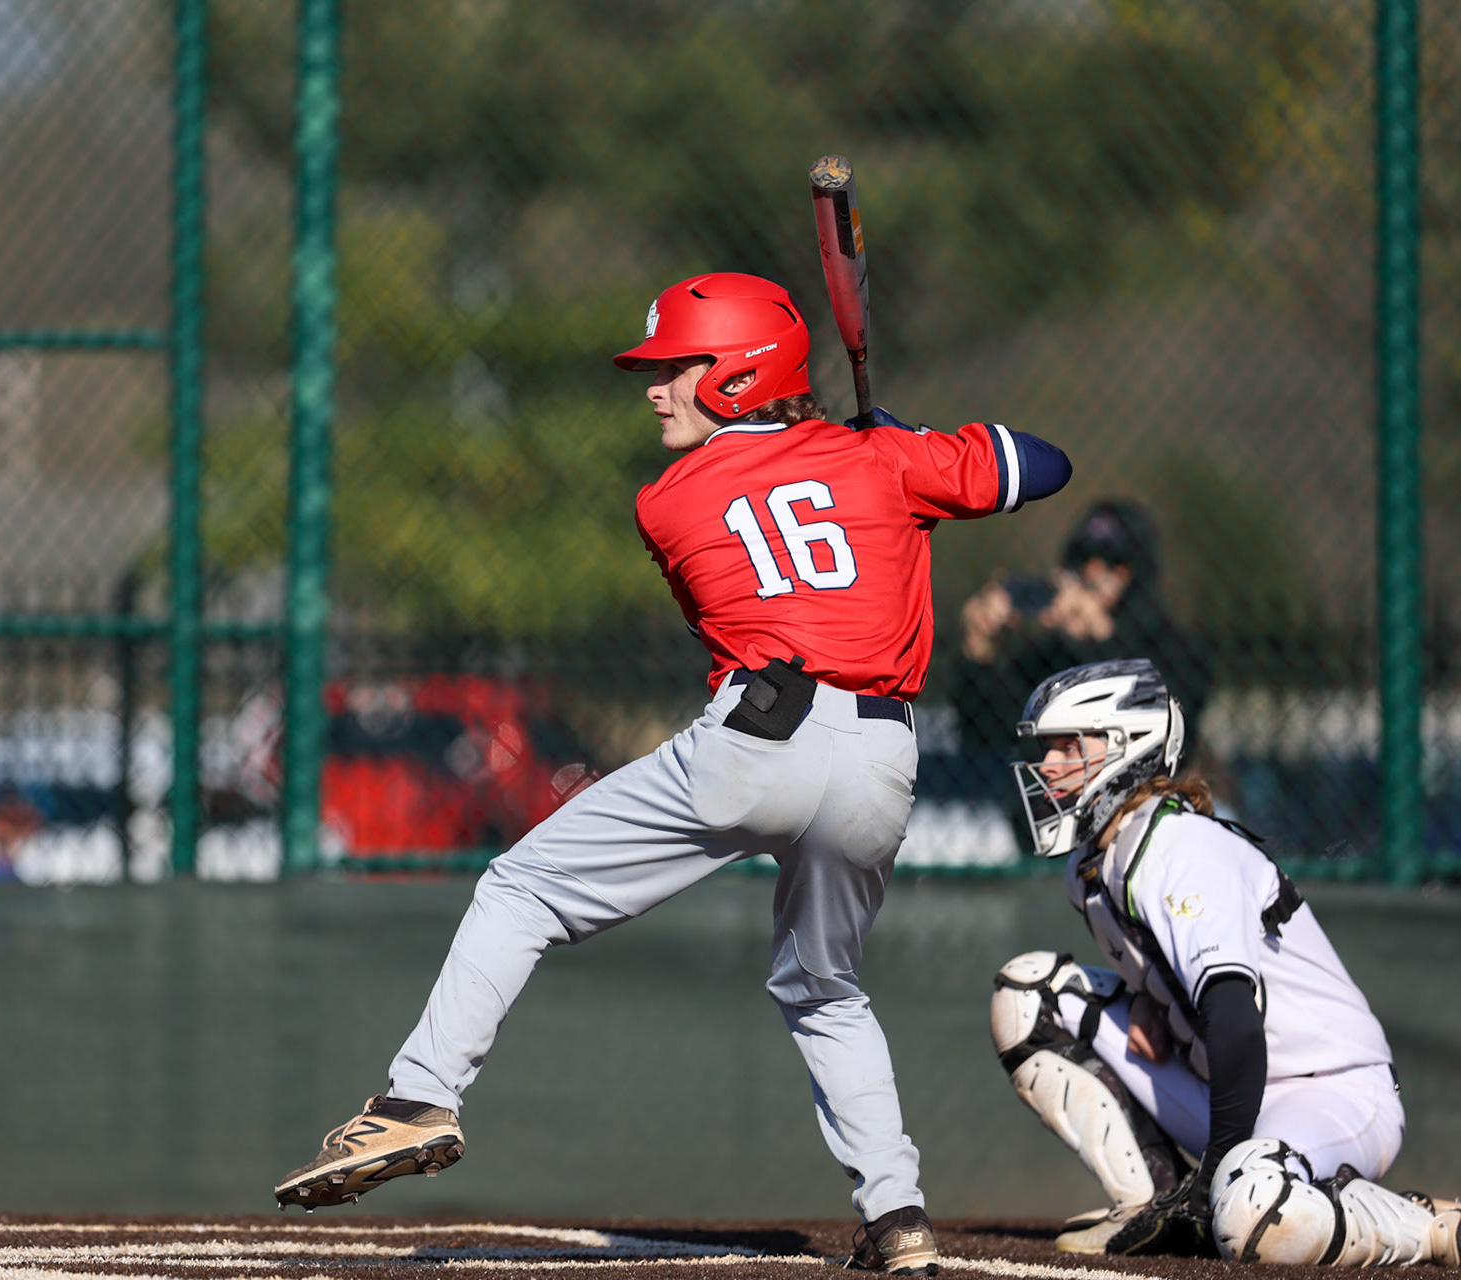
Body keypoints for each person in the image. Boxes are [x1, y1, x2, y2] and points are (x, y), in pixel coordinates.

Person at [272, 271, 1072, 1272]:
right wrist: (909, 449)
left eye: (675, 368)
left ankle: (415, 1098)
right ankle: (898, 1216)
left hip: (755, 743)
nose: (654, 388)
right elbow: (1047, 465)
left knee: (519, 887)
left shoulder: (668, 501)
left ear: (738, 374)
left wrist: (876, 458)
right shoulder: (885, 460)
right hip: (881, 757)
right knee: (826, 987)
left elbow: (774, 536)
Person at [989, 658, 1459, 1265]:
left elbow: (1236, 1019)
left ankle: (1426, 1228)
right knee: (1032, 996)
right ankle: (1154, 1199)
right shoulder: (1094, 864)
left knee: (1251, 1209)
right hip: (1227, 1089)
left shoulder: (1181, 847)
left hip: (1332, 1090)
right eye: (1047, 748)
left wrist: (1216, 1173)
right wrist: (1156, 1011)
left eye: (1069, 746)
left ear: (1131, 748)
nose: (1049, 766)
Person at [952, 500, 1210, 776]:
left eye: (1113, 563)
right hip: (1053, 809)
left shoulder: (1177, 650)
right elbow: (983, 734)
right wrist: (979, 649)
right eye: (1084, 559)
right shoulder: (1051, 654)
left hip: (1145, 806)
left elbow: (1165, 726)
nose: (1094, 572)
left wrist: (1100, 637)